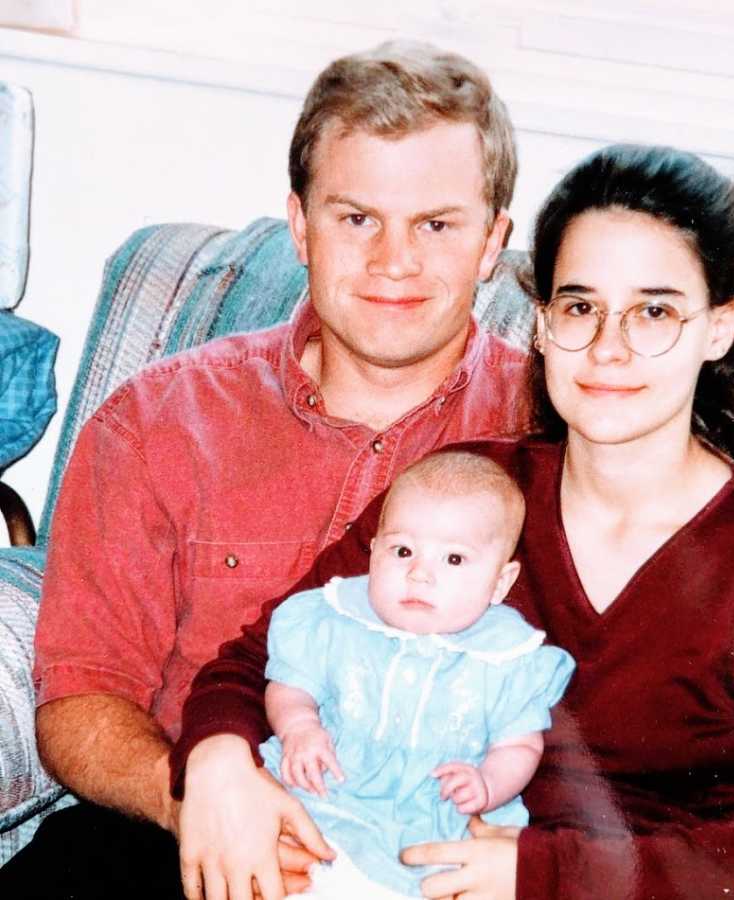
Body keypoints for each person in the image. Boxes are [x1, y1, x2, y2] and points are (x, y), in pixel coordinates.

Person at [172, 143, 734, 900]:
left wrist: (543, 873)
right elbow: (258, 658)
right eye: (580, 307)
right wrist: (216, 759)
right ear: (542, 324)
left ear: (719, 329)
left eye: (654, 311)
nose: (609, 348)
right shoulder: (474, 495)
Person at [1, 41, 530, 900]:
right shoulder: (158, 422)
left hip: (430, 861)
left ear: (491, 243)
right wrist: (194, 798)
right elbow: (81, 699)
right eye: (356, 218)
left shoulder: (556, 434)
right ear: (300, 225)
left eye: (435, 225)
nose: (394, 260)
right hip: (181, 835)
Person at [262, 450, 574, 897]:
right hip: (329, 788)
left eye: (454, 559)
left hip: (437, 810)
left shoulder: (508, 658)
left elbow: (519, 743)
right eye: (403, 550)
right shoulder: (335, 619)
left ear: (501, 582)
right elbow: (291, 685)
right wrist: (299, 727)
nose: (420, 573)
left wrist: (487, 783)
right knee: (291, 866)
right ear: (373, 554)